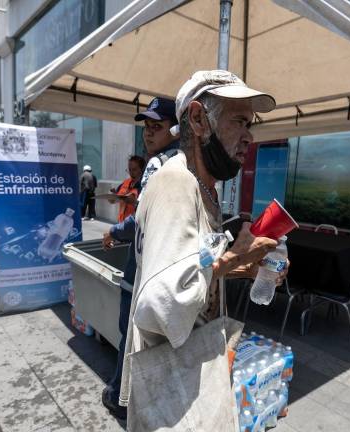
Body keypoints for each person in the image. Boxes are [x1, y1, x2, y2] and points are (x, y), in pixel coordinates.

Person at [119, 70, 288, 421]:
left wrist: (243, 266)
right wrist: (232, 258)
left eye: (251, 124)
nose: (249, 136)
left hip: (186, 376)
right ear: (198, 119)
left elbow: (189, 267)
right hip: (171, 390)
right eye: (239, 121)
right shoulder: (176, 183)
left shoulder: (202, 188)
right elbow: (160, 303)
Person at [100, 97, 179, 420]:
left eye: (156, 127)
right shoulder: (184, 163)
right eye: (146, 128)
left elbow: (141, 221)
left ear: (175, 130)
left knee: (130, 333)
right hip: (166, 269)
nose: (148, 134)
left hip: (144, 268)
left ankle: (121, 397)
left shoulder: (160, 164)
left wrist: (113, 232)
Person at [111, 155, 146, 223]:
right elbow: (115, 198)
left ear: (141, 170)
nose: (131, 172)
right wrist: (113, 196)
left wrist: (135, 202)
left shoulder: (144, 186)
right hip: (121, 223)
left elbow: (146, 209)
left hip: (134, 226)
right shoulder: (125, 183)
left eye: (134, 169)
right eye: (129, 169)